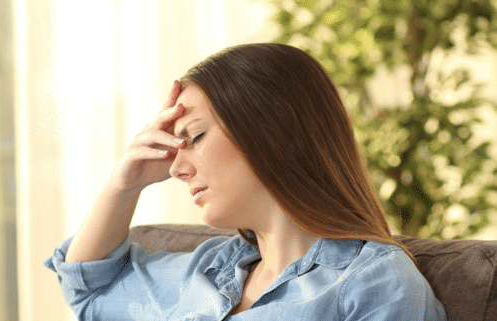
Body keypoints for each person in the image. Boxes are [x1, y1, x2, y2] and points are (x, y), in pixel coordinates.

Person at [43, 43, 447, 320]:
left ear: (274, 128)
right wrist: (124, 185)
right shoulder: (206, 269)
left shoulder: (372, 281)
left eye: (195, 137)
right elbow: (89, 292)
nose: (175, 168)